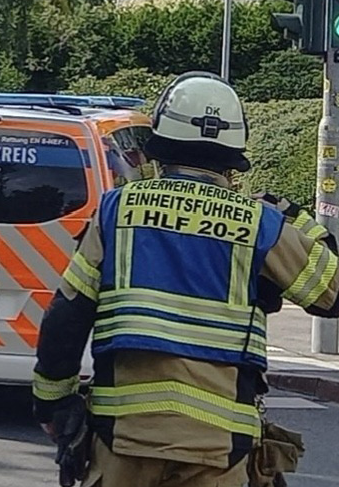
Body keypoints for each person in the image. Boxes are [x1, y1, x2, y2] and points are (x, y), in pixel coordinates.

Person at [33, 71, 339, 487]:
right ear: (234, 155)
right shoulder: (259, 224)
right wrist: (295, 218)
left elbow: (67, 316)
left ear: (161, 143)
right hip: (218, 450)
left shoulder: (117, 211)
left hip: (124, 440)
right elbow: (331, 295)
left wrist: (52, 403)